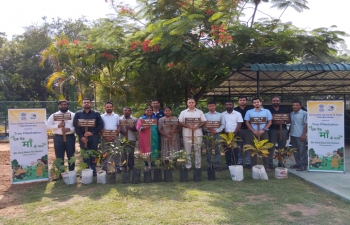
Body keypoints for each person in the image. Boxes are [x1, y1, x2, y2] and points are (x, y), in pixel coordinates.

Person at [73, 98, 104, 176]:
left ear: (91, 104)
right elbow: (76, 126)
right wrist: (81, 136)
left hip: (94, 137)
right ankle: (86, 170)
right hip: (83, 137)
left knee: (93, 153)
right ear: (82, 104)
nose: (86, 104)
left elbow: (100, 125)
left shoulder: (96, 114)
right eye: (85, 102)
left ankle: (93, 170)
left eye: (88, 102)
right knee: (85, 153)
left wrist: (92, 133)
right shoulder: (78, 114)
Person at [46, 100, 76, 173]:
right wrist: (58, 126)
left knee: (71, 155)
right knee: (59, 156)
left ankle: (72, 171)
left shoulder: (73, 115)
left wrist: (69, 129)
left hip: (70, 137)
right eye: (61, 105)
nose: (63, 106)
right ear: (58, 106)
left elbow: (77, 126)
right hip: (58, 137)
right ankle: (61, 173)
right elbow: (47, 126)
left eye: (65, 105)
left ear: (68, 106)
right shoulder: (54, 115)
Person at [245, 97, 273, 172]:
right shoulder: (249, 112)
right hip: (253, 132)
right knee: (253, 149)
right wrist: (253, 131)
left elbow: (270, 122)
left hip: (264, 132)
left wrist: (263, 130)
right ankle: (253, 165)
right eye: (254, 102)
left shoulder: (267, 111)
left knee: (265, 149)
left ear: (261, 103)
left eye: (258, 102)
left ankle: (266, 166)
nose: (256, 103)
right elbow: (247, 122)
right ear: (253, 104)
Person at [178, 98, 207, 170]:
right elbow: (180, 122)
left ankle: (198, 166)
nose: (191, 104)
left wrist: (197, 127)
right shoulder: (183, 112)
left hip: (197, 134)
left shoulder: (199, 112)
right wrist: (188, 126)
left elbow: (204, 121)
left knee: (197, 150)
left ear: (195, 103)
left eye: (192, 102)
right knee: (187, 151)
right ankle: (188, 166)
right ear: (187, 104)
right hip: (186, 134)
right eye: (189, 102)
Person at [267, 96, 290, 168]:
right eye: (274, 101)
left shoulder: (285, 110)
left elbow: (289, 120)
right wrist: (274, 122)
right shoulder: (268, 111)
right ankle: (270, 164)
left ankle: (281, 163)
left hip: (283, 130)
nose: (275, 102)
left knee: (282, 148)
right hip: (272, 130)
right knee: (271, 147)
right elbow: (266, 120)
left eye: (277, 101)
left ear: (279, 102)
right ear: (271, 102)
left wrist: (284, 121)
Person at [203, 101, 225, 171]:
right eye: (210, 106)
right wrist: (210, 131)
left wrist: (216, 131)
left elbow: (223, 124)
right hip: (208, 134)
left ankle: (217, 165)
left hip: (217, 134)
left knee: (217, 150)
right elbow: (203, 125)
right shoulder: (204, 115)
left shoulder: (220, 115)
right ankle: (209, 165)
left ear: (215, 106)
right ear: (207, 107)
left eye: (213, 106)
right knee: (208, 150)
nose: (211, 107)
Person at [136, 106, 159, 170]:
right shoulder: (141, 118)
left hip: (153, 136)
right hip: (144, 137)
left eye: (150, 110)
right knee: (145, 150)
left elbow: (157, 127)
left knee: (153, 149)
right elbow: (138, 127)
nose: (149, 111)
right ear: (145, 111)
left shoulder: (155, 118)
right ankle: (146, 165)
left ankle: (153, 164)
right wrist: (143, 127)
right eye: (147, 110)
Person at [222, 100, 243, 170]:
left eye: (230, 104)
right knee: (227, 150)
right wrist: (225, 134)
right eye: (227, 105)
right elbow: (222, 124)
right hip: (226, 134)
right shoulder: (222, 114)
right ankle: (228, 164)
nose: (228, 106)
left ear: (233, 105)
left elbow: (239, 124)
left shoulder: (238, 114)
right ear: (225, 106)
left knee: (235, 150)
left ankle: (235, 164)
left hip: (235, 134)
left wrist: (234, 134)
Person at [234, 96, 253, 169]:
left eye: (244, 100)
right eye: (240, 100)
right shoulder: (234, 110)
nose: (242, 101)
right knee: (239, 147)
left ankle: (248, 162)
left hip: (248, 130)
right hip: (238, 130)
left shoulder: (250, 110)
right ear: (238, 101)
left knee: (248, 146)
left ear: (246, 101)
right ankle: (240, 162)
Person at [100, 102, 120, 172]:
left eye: (110, 107)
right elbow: (100, 127)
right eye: (107, 107)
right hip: (105, 136)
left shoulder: (116, 116)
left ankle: (117, 167)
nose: (109, 108)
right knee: (105, 151)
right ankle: (105, 167)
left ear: (113, 108)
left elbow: (119, 126)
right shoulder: (101, 116)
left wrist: (115, 135)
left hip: (115, 136)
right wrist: (105, 136)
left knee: (116, 151)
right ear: (105, 108)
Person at [289, 100, 308, 171]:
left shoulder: (304, 113)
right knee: (295, 150)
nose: (295, 106)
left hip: (300, 135)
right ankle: (298, 164)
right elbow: (291, 124)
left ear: (300, 106)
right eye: (293, 105)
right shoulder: (292, 114)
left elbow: (307, 124)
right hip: (293, 134)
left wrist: (304, 134)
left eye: (297, 105)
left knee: (302, 150)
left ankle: (303, 165)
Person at [119, 107, 138, 171]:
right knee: (123, 153)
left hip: (132, 138)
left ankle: (131, 166)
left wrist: (130, 128)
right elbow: (117, 128)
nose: (127, 112)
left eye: (128, 110)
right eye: (125, 110)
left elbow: (136, 129)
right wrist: (123, 132)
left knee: (131, 153)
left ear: (130, 112)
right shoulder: (120, 119)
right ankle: (123, 166)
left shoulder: (135, 119)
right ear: (123, 112)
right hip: (122, 138)